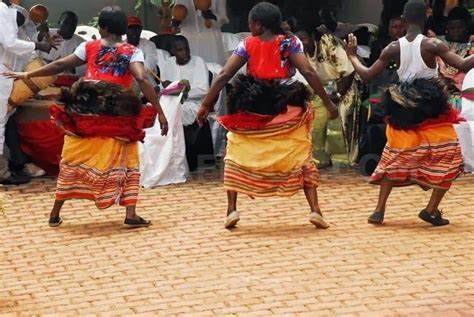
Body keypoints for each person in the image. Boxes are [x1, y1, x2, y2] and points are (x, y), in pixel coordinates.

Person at [2, 6, 168, 227]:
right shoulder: (131, 51)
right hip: (117, 118)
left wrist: (27, 73)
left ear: (104, 28)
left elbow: (60, 64)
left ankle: (55, 212)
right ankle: (130, 214)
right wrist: (160, 111)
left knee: (72, 160)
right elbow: (142, 79)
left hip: (85, 114)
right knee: (129, 161)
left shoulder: (88, 46)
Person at [196, 2, 338, 229]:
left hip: (253, 109)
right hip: (286, 108)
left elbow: (224, 74)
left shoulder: (247, 44)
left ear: (258, 25)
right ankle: (315, 210)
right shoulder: (290, 42)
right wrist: (328, 102)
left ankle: (231, 210)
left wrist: (205, 105)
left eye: (250, 23)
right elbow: (308, 71)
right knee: (301, 155)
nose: (249, 26)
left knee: (235, 152)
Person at [346, 0, 474, 226]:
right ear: (426, 16)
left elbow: (367, 74)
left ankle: (379, 210)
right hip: (432, 109)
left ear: (403, 19)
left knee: (394, 155)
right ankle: (431, 209)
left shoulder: (392, 48)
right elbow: (463, 65)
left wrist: (353, 55)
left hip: (402, 109)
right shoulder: (433, 44)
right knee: (451, 156)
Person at [0, 0, 60, 185]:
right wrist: (38, 45)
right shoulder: (2, 9)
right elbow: (9, 43)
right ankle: (2, 172)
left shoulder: (7, 9)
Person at [296, 28, 360, 167]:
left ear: (312, 35)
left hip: (343, 87)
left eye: (303, 38)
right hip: (321, 91)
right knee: (314, 116)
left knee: (340, 113)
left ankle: (341, 159)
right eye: (298, 39)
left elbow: (349, 71)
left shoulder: (328, 43)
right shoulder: (299, 52)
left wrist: (337, 95)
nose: (301, 42)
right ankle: (320, 159)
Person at [161, 35, 213, 171]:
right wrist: (165, 88)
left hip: (193, 104)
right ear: (173, 51)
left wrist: (177, 89)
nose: (184, 53)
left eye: (186, 49)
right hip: (172, 104)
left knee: (181, 112)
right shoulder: (168, 63)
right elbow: (164, 90)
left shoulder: (198, 62)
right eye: (179, 50)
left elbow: (203, 90)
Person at [173, 0, 228, 65]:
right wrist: (177, 20)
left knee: (213, 69)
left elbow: (223, 18)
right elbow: (177, 15)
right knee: (190, 69)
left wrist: (211, 15)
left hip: (211, 42)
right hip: (189, 42)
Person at [40, 11, 85, 76]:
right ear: (59, 22)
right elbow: (34, 57)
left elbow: (84, 69)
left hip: (69, 81)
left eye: (73, 24)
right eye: (66, 23)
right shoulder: (46, 36)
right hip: (45, 78)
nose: (69, 26)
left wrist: (70, 65)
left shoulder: (81, 43)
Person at [126, 16, 160, 85]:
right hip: (127, 86)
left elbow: (149, 65)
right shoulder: (121, 47)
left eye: (137, 28)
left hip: (147, 83)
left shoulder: (149, 45)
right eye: (130, 28)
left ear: (141, 30)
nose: (134, 31)